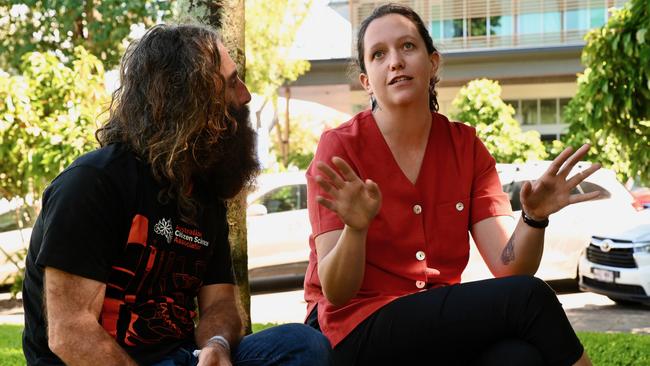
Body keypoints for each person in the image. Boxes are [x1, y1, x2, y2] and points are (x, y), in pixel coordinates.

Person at [303, 4, 597, 366]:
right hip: (357, 329)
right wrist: (356, 228)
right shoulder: (340, 147)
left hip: (432, 323)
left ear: (433, 63)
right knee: (529, 298)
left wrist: (533, 218)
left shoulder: (465, 146)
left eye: (408, 46)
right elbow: (337, 291)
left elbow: (510, 268)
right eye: (378, 54)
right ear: (367, 81)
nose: (395, 61)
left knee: (519, 357)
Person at [22, 24, 331, 366]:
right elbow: (72, 334)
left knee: (302, 344)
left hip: (182, 357)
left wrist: (216, 344)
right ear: (185, 101)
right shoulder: (92, 184)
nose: (245, 95)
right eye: (230, 82)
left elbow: (220, 305)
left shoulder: (202, 193)